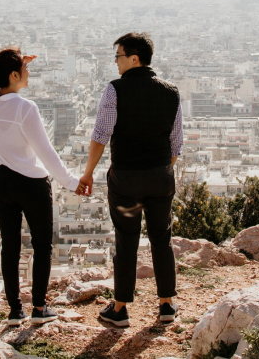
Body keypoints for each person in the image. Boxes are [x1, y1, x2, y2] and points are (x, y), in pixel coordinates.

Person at [77, 32, 182, 328]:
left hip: (126, 180)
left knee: (127, 240)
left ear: (134, 58)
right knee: (162, 238)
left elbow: (101, 135)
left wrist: (88, 173)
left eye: (119, 56)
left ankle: (120, 308)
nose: (116, 62)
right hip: (161, 177)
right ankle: (167, 305)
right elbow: (176, 144)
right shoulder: (171, 91)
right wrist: (160, 170)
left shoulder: (115, 90)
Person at [0, 48, 82, 326]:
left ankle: (14, 310)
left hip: (2, 181)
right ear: (13, 75)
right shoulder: (26, 108)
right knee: (41, 245)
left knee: (10, 246)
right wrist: (71, 182)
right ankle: (39, 307)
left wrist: (12, 64)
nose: (29, 72)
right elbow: (46, 153)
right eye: (24, 69)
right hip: (32, 183)